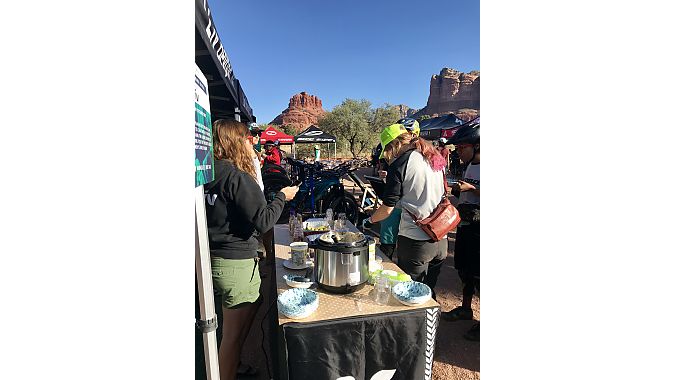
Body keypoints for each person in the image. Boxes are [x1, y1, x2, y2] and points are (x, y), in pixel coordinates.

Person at [203, 119, 299, 380]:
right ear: (237, 141)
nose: (253, 142)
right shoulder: (237, 178)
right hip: (236, 264)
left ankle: (232, 363)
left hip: (209, 260)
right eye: (248, 138)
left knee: (226, 327)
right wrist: (282, 196)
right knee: (233, 337)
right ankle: (228, 367)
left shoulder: (206, 174)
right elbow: (264, 221)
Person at [362, 123, 448, 299]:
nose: (389, 155)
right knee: (429, 295)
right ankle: (432, 325)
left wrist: (369, 220)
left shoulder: (401, 163)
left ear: (395, 145)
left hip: (416, 242)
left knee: (411, 297)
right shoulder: (432, 155)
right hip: (441, 237)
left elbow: (387, 209)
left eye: (388, 150)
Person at [440, 121, 480, 342]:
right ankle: (466, 308)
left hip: (480, 228)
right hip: (466, 225)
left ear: (477, 145)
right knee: (464, 269)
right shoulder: (469, 165)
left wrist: (472, 188)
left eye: (461, 148)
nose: (457, 152)